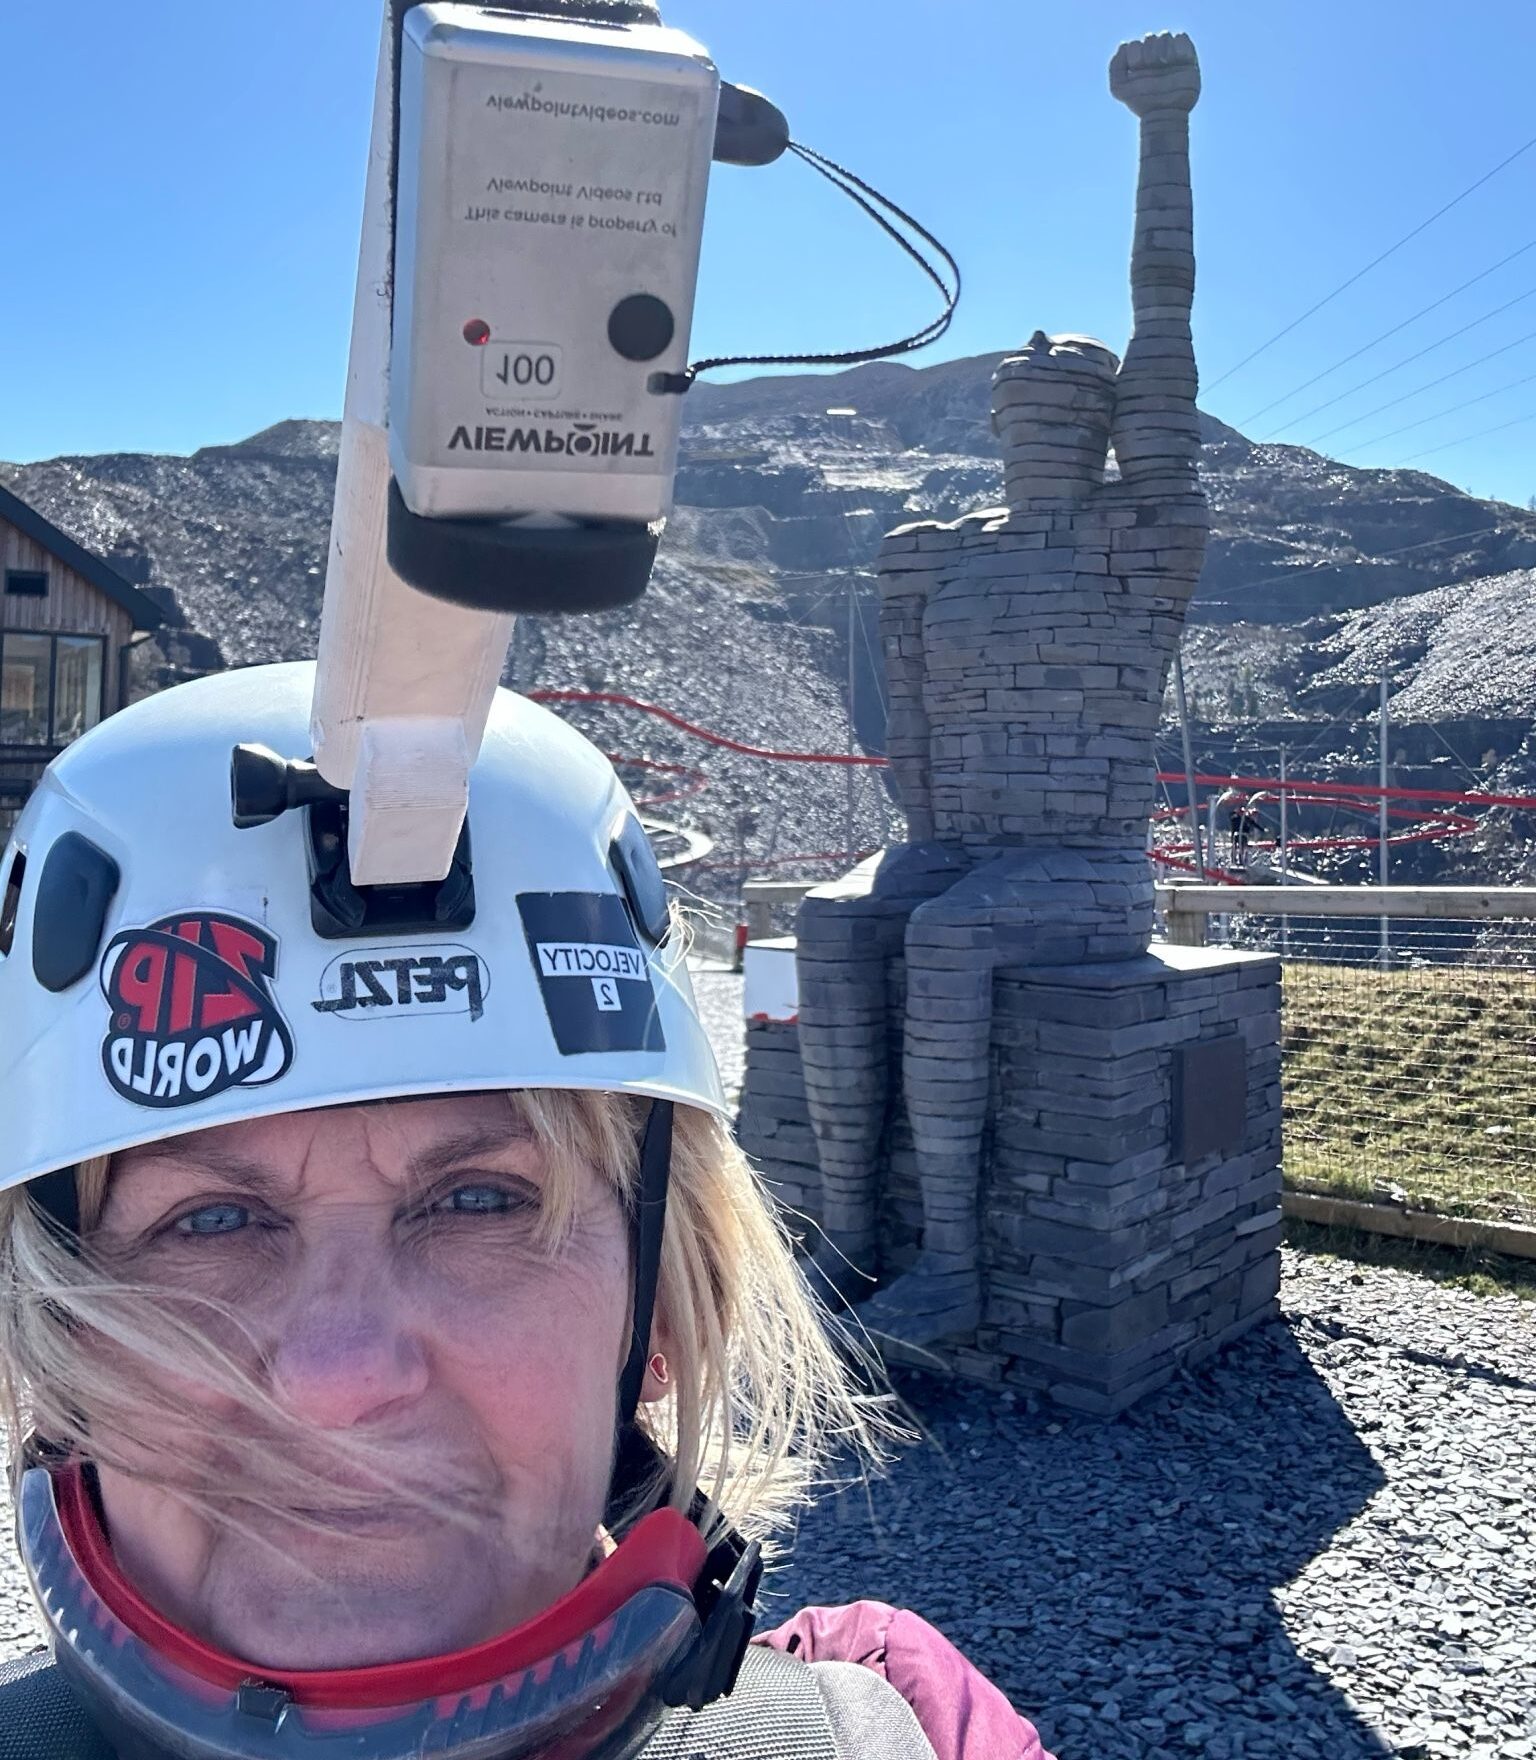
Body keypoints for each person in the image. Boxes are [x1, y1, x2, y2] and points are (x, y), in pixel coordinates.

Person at [0, 662, 1054, 1759]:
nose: (340, 1377)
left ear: (659, 1311)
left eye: (477, 1202)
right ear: (52, 1338)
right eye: (211, 1221)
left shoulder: (894, 1729)